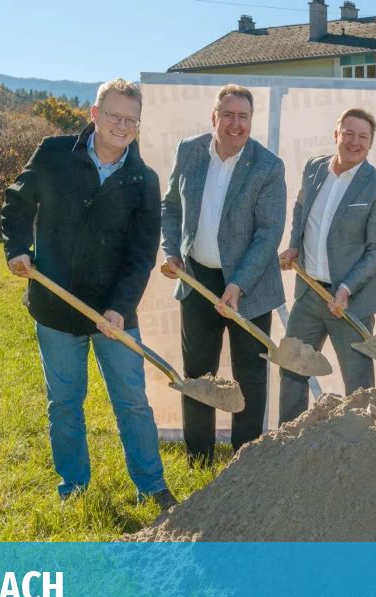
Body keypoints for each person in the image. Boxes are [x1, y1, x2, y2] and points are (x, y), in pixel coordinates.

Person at [0, 79, 176, 510]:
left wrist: (119, 309)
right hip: (56, 306)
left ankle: (151, 486)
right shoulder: (55, 154)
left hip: (114, 315)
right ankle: (73, 486)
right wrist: (18, 248)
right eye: (114, 116)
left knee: (132, 402)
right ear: (94, 114)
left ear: (138, 124)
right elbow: (17, 203)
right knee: (64, 402)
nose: (121, 126)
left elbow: (140, 256)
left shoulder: (143, 180)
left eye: (130, 120)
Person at [160, 84, 286, 464]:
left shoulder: (268, 166)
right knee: (199, 374)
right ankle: (199, 459)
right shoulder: (189, 151)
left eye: (243, 117)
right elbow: (170, 207)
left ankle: (244, 462)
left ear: (251, 121)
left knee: (250, 375)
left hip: (249, 285)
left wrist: (238, 284)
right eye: (228, 115)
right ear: (214, 118)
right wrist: (171, 251)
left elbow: (268, 234)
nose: (236, 124)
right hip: (197, 279)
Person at [277, 108, 376, 423]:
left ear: (371, 143)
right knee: (292, 370)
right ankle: (286, 447)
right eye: (348, 133)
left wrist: (346, 289)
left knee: (358, 386)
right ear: (336, 135)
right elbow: (301, 206)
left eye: (363, 137)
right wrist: (293, 244)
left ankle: (362, 450)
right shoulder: (315, 168)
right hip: (309, 293)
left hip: (351, 303)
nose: (354, 142)